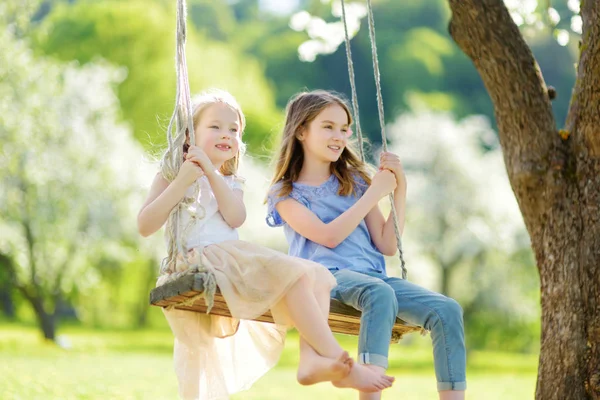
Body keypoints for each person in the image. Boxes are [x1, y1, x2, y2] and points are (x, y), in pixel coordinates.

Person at [138, 89, 394, 400]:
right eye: (215, 126)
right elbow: (145, 225)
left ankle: (316, 359)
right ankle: (337, 358)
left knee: (314, 275)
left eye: (234, 129)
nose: (226, 134)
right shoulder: (170, 175)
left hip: (231, 257)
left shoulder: (230, 182)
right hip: (198, 259)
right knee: (298, 277)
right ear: (190, 135)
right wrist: (183, 180)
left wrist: (210, 172)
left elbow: (235, 217)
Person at [266, 90, 467, 400]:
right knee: (379, 292)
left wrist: (399, 190)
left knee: (447, 310)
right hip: (325, 278)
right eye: (328, 126)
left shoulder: (355, 181)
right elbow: (328, 236)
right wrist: (374, 194)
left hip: (373, 276)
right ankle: (369, 388)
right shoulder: (286, 193)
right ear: (301, 131)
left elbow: (387, 244)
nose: (339, 136)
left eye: (345, 128)